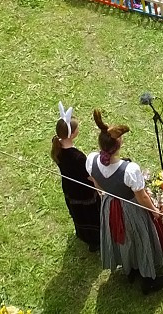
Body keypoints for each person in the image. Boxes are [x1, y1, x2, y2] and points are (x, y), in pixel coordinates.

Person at [87, 109, 163, 293]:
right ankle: (148, 280)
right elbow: (142, 196)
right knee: (139, 238)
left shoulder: (91, 160)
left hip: (109, 205)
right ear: (118, 145)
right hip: (131, 209)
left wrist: (106, 194)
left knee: (122, 239)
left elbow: (96, 183)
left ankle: (129, 269)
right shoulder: (129, 170)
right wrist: (154, 211)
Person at [52, 103, 100, 252]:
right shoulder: (78, 157)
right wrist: (99, 186)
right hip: (83, 192)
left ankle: (83, 235)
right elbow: (88, 177)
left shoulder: (57, 150)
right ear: (72, 134)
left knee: (78, 214)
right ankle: (95, 241)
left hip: (70, 189)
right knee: (90, 216)